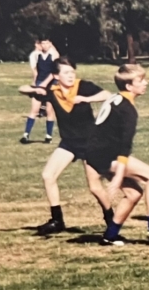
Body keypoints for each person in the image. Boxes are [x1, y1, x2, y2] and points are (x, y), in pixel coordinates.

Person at [84, 64, 149, 245]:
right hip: (105, 155)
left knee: (134, 194)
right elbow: (124, 146)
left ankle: (110, 235)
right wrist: (119, 174)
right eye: (141, 80)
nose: (146, 83)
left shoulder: (116, 99)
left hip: (96, 153)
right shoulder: (128, 110)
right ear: (129, 86)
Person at [21, 56, 112, 235]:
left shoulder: (83, 86)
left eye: (72, 71)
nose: (71, 76)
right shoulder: (53, 91)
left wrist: (86, 99)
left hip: (90, 142)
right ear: (56, 75)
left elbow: (107, 95)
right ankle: (57, 220)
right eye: (66, 72)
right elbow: (22, 89)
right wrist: (36, 89)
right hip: (69, 143)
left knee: (94, 187)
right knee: (48, 175)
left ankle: (111, 219)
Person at [18, 39, 60, 144]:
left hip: (51, 85)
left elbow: (54, 73)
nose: (45, 45)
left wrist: (45, 84)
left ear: (50, 44)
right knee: (34, 110)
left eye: (47, 43)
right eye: (43, 43)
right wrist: (36, 84)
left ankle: (48, 136)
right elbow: (35, 71)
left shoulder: (54, 55)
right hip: (39, 83)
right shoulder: (36, 55)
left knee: (50, 111)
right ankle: (26, 135)